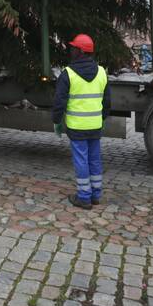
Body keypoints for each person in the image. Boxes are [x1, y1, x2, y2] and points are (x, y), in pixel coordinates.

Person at [52, 33, 110, 209]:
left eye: (73, 48)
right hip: (95, 126)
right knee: (94, 159)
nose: (70, 50)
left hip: (77, 127)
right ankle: (96, 194)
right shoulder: (101, 72)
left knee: (81, 160)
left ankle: (84, 197)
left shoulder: (68, 74)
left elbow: (59, 102)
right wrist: (101, 118)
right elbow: (107, 102)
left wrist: (56, 122)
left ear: (80, 51)